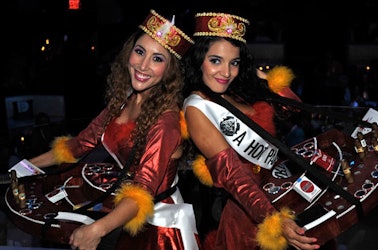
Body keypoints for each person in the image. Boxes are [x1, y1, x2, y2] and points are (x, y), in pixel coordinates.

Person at [28, 9, 201, 250]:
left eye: (157, 59)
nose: (143, 65)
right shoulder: (122, 102)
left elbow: (143, 191)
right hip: (122, 213)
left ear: (170, 72)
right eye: (140, 52)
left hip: (159, 226)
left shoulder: (166, 122)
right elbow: (78, 145)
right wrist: (24, 168)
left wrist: (97, 230)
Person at [182, 12, 322, 250]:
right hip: (249, 209)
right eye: (215, 60)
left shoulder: (236, 91)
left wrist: (257, 74)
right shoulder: (197, 107)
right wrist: (273, 218)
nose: (226, 72)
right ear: (198, 60)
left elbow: (292, 106)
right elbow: (232, 175)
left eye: (234, 62)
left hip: (279, 189)